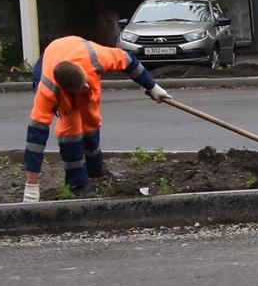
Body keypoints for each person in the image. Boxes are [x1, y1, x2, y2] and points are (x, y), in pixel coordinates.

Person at [22, 35, 171, 203]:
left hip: (74, 51)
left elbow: (128, 60)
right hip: (48, 64)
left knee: (90, 119)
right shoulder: (48, 89)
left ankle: (95, 170)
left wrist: (152, 86)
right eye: (81, 89)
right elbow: (35, 138)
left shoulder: (96, 57)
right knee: (70, 129)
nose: (85, 88)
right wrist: (31, 187)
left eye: (86, 84)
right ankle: (76, 184)